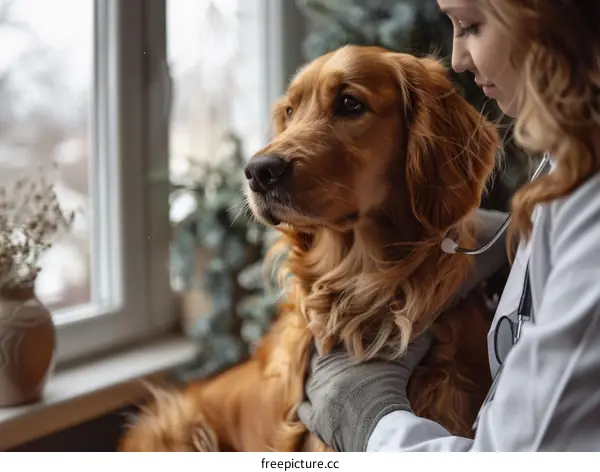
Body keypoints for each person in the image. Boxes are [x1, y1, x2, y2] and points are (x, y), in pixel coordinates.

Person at [297, 0, 600, 452]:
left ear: (548, 17)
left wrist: (366, 414)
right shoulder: (569, 157)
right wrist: (499, 243)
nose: (458, 58)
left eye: (471, 25)